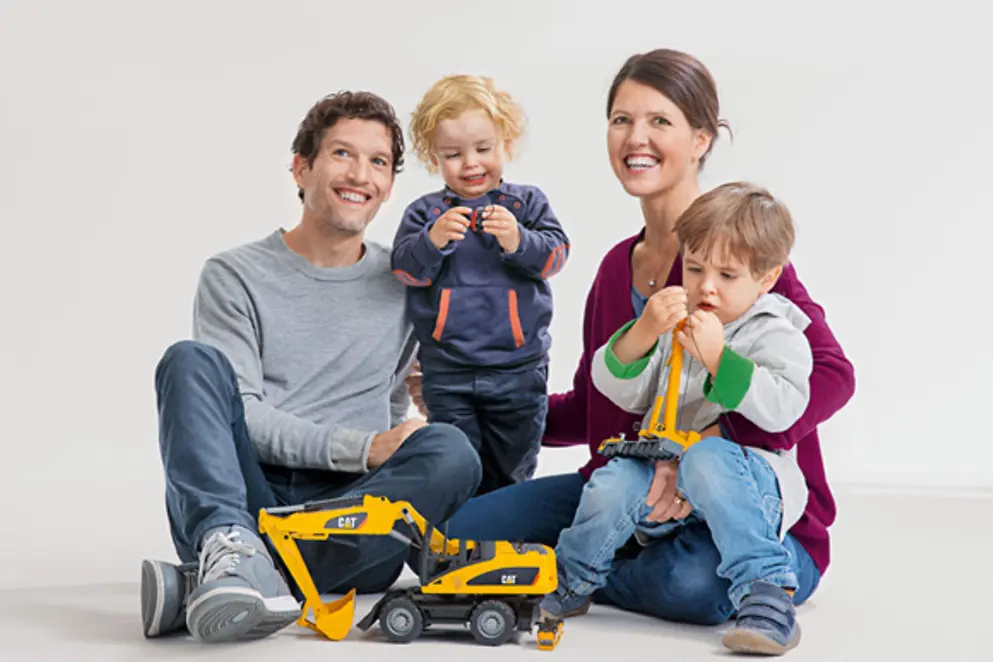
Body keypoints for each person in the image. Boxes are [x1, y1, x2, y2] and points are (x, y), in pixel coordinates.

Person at [444, 47, 856, 652]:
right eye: (621, 120)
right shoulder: (617, 267)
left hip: (737, 493)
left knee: (693, 584)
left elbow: (832, 377)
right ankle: (590, 565)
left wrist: (710, 449)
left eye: (659, 121)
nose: (636, 137)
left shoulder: (743, 262)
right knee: (462, 532)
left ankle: (589, 572)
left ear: (701, 139)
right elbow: (596, 399)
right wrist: (487, 404)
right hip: (628, 477)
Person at [139, 90, 482, 644]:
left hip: (354, 513)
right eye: (343, 154)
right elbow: (244, 415)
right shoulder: (234, 275)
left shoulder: (409, 280)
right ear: (302, 168)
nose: (361, 175)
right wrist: (364, 446)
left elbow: (437, 385)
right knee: (189, 361)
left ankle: (233, 578)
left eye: (378, 163)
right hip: (249, 497)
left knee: (451, 449)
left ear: (390, 186)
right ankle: (233, 549)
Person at [540, 182, 814, 655]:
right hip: (665, 470)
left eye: (727, 275)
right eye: (694, 268)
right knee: (613, 482)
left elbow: (784, 408)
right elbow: (619, 388)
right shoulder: (678, 324)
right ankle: (572, 580)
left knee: (708, 459)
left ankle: (767, 594)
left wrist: (719, 359)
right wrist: (644, 332)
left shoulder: (778, 331)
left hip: (745, 485)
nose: (706, 285)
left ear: (767, 278)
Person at [390, 74, 570, 494]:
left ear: (505, 144)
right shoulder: (425, 213)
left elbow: (556, 255)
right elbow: (404, 271)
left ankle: (504, 547)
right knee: (456, 470)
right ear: (434, 158)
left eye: (483, 149)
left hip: (519, 371)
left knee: (512, 470)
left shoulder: (526, 204)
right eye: (453, 154)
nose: (470, 163)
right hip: (448, 374)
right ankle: (458, 551)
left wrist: (518, 240)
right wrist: (432, 242)